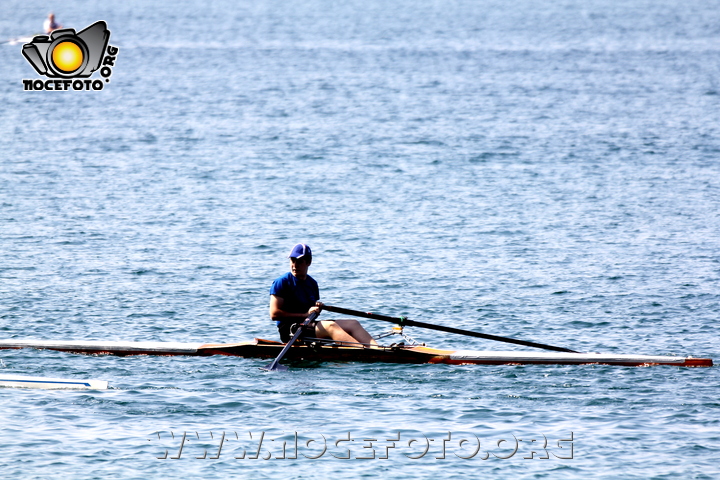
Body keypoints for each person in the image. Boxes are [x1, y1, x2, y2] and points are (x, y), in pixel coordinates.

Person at [269, 244, 378, 346]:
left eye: (299, 261)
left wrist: (316, 309)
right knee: (331, 326)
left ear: (308, 262)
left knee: (353, 324)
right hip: (290, 330)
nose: (295, 265)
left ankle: (377, 350)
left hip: (307, 325)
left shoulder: (312, 283)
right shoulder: (282, 282)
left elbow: (312, 313)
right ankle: (363, 352)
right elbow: (274, 314)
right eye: (293, 260)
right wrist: (305, 315)